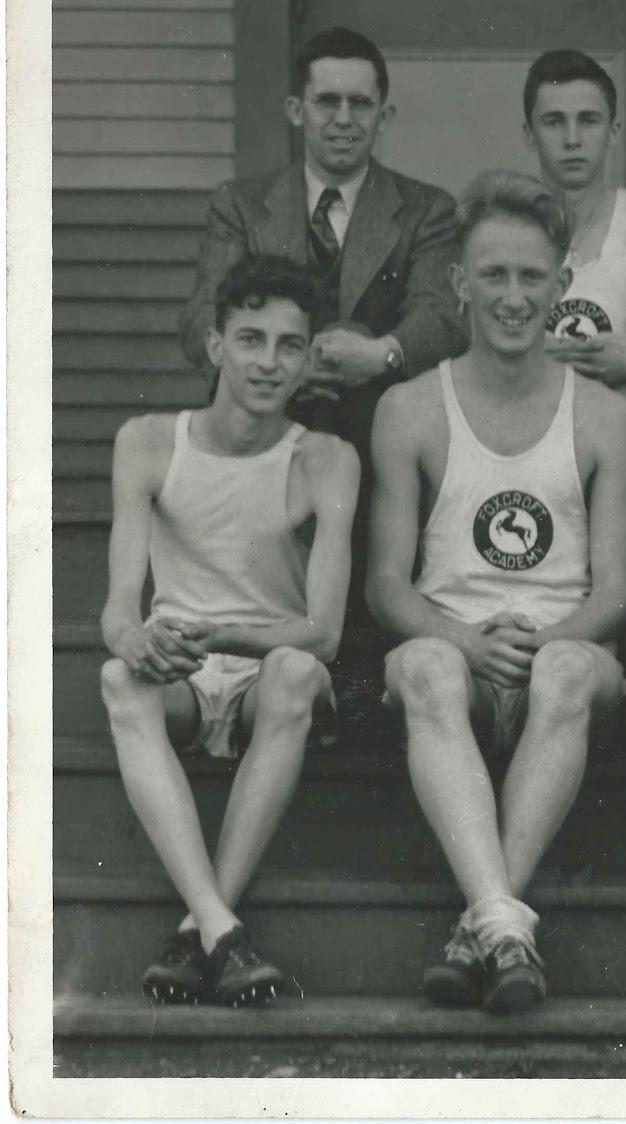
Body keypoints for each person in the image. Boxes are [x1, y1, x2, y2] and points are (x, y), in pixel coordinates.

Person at [365, 171, 626, 1015]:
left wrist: (555, 638)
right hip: (458, 653)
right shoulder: (409, 407)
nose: (513, 297)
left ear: (561, 286)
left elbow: (618, 587)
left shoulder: (604, 414)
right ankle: (504, 927)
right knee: (419, 667)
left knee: (563, 674)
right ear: (459, 284)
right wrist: (465, 639)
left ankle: (478, 922)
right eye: (493, 276)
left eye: (531, 277)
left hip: (569, 658)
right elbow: (384, 583)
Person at [99, 257, 359, 1007]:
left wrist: (219, 635)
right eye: (250, 339)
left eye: (288, 345)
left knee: (298, 677)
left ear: (309, 359)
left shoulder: (325, 459)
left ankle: (199, 928)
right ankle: (218, 928)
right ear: (215, 346)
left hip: (262, 667)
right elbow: (119, 608)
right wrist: (134, 641)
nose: (268, 362)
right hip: (180, 664)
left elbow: (323, 633)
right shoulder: (148, 441)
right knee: (120, 680)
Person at [178, 27, 465, 696]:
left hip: (378, 420)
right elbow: (199, 322)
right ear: (296, 110)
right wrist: (281, 362)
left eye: (360, 104)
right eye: (327, 101)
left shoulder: (425, 208)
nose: (343, 120)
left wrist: (383, 352)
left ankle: (367, 675)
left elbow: (442, 316)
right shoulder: (242, 206)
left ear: (383, 114)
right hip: (271, 419)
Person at [522, 49, 626, 446]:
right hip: (521, 411)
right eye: (553, 122)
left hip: (610, 423)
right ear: (529, 135)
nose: (572, 139)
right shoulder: (504, 222)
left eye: (588, 121)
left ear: (613, 132)